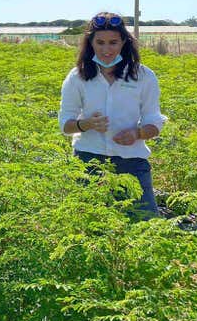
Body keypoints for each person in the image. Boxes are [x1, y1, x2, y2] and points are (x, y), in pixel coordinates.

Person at [59, 12, 167, 218]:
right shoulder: (77, 77)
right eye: (100, 42)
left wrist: (138, 134)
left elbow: (154, 121)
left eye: (113, 42)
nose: (106, 49)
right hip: (88, 161)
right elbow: (65, 124)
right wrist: (86, 124)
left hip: (132, 162)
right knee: (90, 226)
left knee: (146, 224)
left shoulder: (144, 76)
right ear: (90, 43)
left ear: (124, 42)